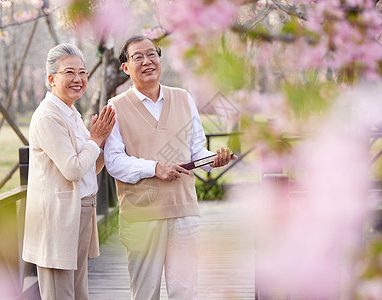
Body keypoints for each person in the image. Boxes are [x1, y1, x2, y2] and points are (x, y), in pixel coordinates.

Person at [104, 35, 236, 300]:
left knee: (185, 291)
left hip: (183, 211)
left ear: (160, 59)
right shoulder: (115, 108)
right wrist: (155, 168)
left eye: (152, 54)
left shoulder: (183, 99)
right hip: (142, 216)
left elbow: (197, 150)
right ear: (125, 68)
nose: (147, 61)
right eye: (137, 57)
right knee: (144, 293)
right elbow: (114, 161)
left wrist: (214, 160)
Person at [22, 43, 115, 300]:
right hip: (57, 217)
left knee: (78, 292)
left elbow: (88, 169)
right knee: (60, 292)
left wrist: (103, 144)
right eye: (69, 72)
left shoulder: (72, 112)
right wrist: (95, 140)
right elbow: (73, 169)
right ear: (51, 78)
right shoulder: (48, 116)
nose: (78, 79)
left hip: (81, 210)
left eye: (83, 72)